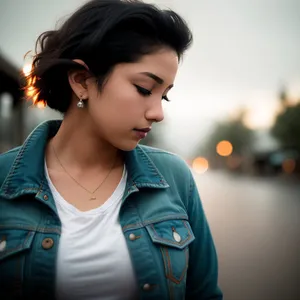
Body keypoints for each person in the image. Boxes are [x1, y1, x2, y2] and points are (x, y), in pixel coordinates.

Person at [0, 0, 223, 299]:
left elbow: (205, 293)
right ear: (82, 81)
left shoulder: (174, 178)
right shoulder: (4, 182)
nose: (158, 113)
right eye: (145, 89)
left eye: (164, 96)